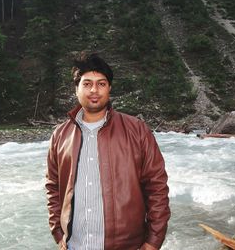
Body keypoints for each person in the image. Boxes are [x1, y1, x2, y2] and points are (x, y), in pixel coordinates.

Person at [46, 52, 170, 250]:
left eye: (101, 84)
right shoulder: (60, 135)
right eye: (87, 84)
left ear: (109, 88)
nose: (94, 90)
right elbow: (53, 186)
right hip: (74, 246)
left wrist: (153, 242)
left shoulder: (137, 130)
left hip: (126, 245)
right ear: (76, 89)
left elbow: (157, 188)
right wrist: (58, 232)